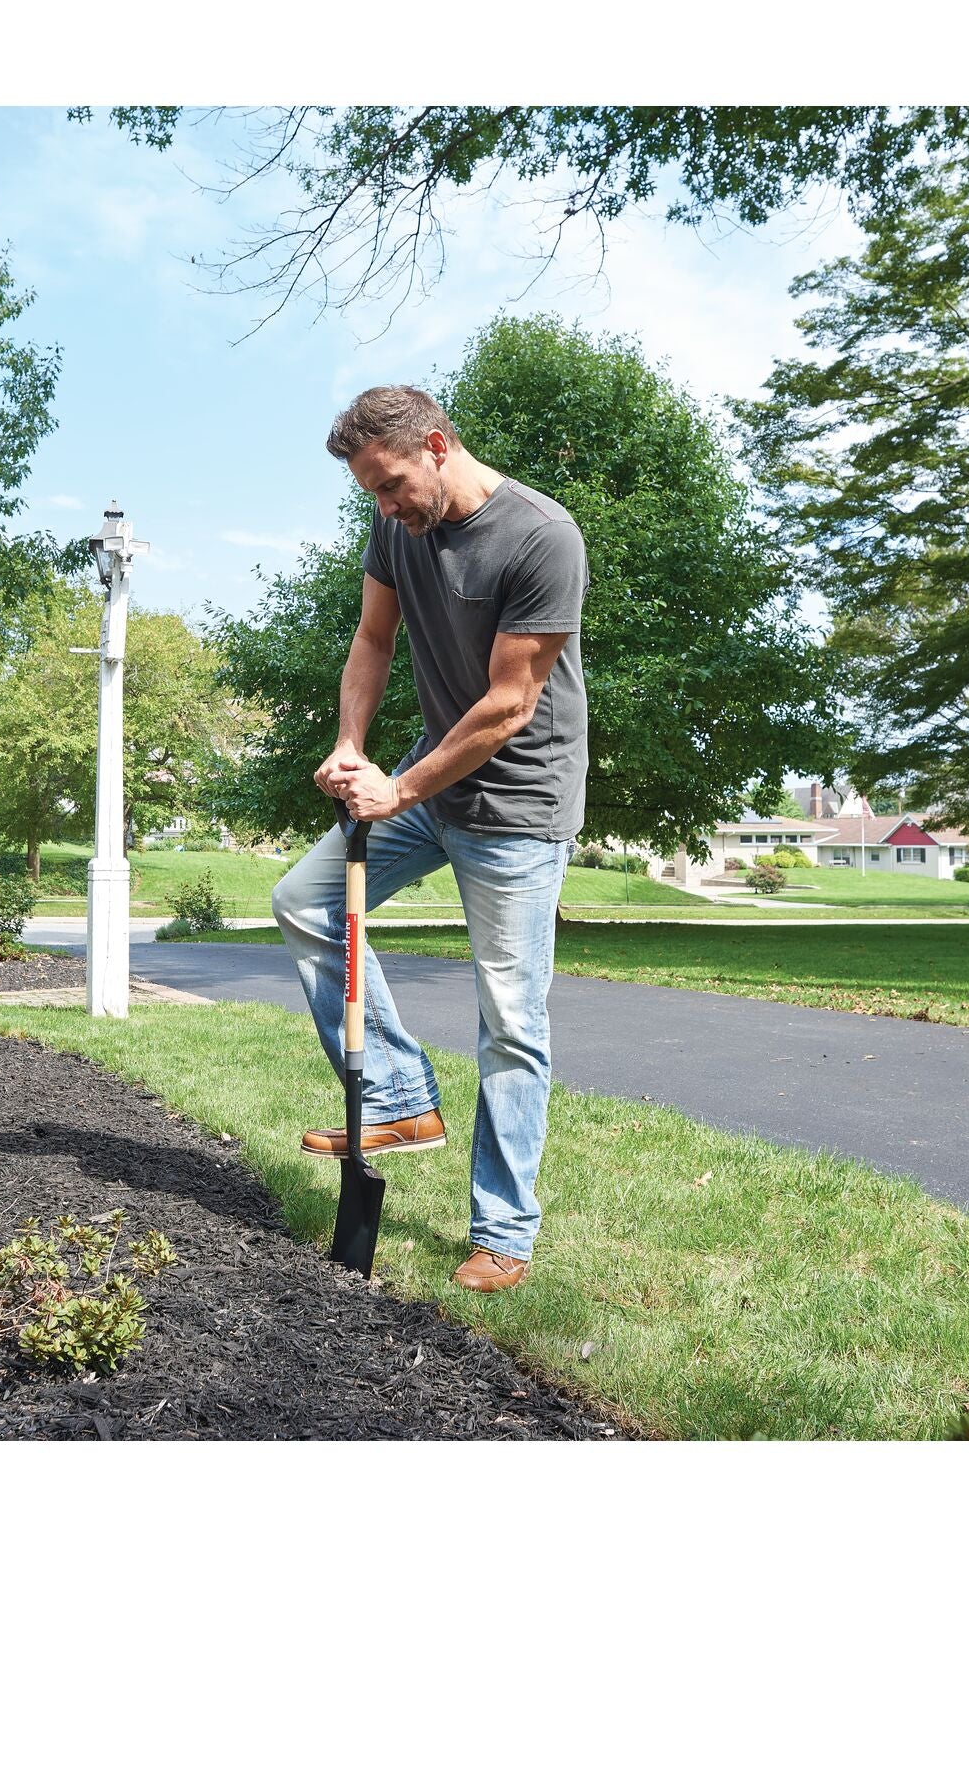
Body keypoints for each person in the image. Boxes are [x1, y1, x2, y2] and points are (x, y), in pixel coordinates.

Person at [272, 384, 590, 1293]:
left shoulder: (541, 537)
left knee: (511, 1022)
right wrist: (348, 747)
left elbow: (508, 704)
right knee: (303, 901)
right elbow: (373, 640)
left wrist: (396, 790)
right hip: (425, 780)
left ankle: (504, 1234)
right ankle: (404, 1104)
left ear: (438, 446)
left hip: (519, 806)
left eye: (393, 483)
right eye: (370, 492)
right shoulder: (397, 529)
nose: (385, 506)